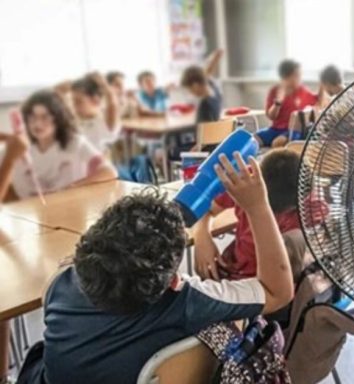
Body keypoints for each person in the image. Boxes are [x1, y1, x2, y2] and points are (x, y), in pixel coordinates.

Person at [18, 153, 293, 384]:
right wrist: (258, 207)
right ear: (175, 281)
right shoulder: (186, 302)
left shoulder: (61, 282)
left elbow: (52, 291)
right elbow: (277, 292)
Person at [0, 90, 116, 384]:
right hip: (27, 233)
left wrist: (74, 185)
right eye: (32, 118)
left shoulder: (73, 145)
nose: (38, 124)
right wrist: (11, 160)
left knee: (88, 276)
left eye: (45, 116)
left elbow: (108, 172)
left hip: (69, 230)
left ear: (57, 118)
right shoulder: (18, 151)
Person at [194, 148, 301, 280]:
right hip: (232, 270)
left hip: (264, 283)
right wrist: (202, 238)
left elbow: (281, 281)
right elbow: (206, 210)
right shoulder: (246, 184)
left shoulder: (309, 214)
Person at [257, 59, 318, 148]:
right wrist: (278, 102)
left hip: (292, 131)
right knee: (253, 139)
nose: (299, 79)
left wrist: (323, 88)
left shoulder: (302, 91)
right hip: (275, 129)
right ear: (286, 77)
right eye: (297, 76)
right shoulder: (275, 90)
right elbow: (271, 116)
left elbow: (316, 100)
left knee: (277, 143)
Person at [70, 73, 121, 152]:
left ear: (95, 100)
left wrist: (104, 85)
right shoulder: (77, 121)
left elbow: (112, 105)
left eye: (79, 101)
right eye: (73, 101)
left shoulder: (103, 122)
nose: (74, 106)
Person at [181, 49, 223, 123]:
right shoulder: (215, 92)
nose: (190, 92)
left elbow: (201, 131)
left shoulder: (204, 106)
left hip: (203, 133)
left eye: (189, 89)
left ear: (195, 86)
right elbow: (206, 74)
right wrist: (214, 60)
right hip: (216, 132)